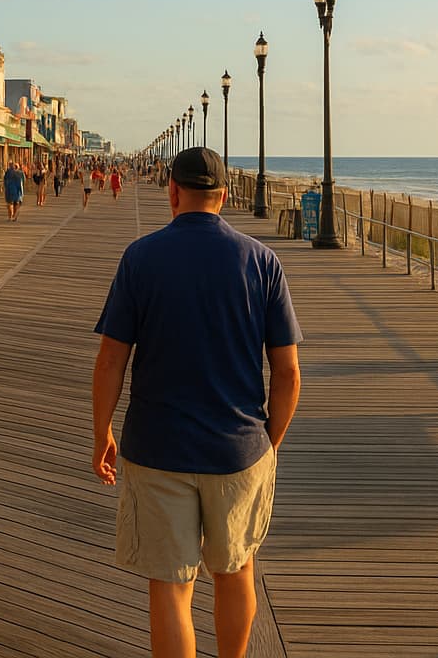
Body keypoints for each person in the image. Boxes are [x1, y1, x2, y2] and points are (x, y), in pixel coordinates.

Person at [90, 147, 302, 658]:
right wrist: (268, 441)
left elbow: (111, 360)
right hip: (238, 450)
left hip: (157, 449)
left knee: (170, 586)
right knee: (236, 571)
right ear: (224, 197)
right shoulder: (261, 262)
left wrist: (102, 432)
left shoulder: (141, 257)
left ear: (172, 192)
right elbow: (288, 371)